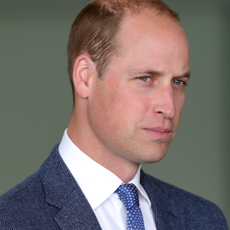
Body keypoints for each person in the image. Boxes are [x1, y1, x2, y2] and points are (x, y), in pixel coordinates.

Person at [0, 0, 228, 229]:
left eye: (178, 82)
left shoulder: (205, 219)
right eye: (145, 78)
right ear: (85, 77)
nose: (169, 108)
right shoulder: (10, 220)